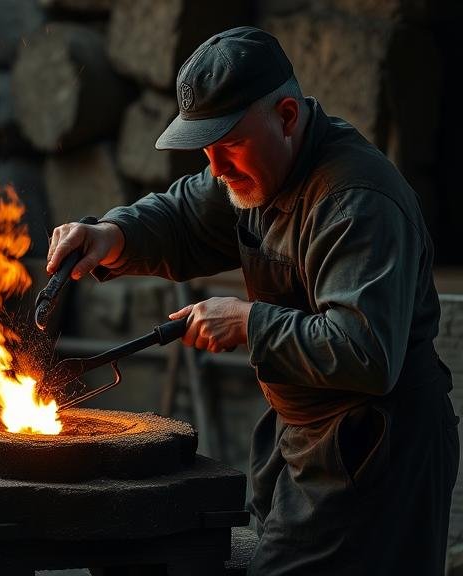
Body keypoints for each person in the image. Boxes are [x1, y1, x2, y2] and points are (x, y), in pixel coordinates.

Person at [47, 26, 458, 574]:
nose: (216, 168)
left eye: (228, 146)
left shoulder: (357, 201)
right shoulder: (257, 168)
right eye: (206, 150)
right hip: (307, 444)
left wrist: (248, 322)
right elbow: (183, 215)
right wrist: (112, 236)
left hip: (377, 455)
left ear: (287, 116)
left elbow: (366, 351)